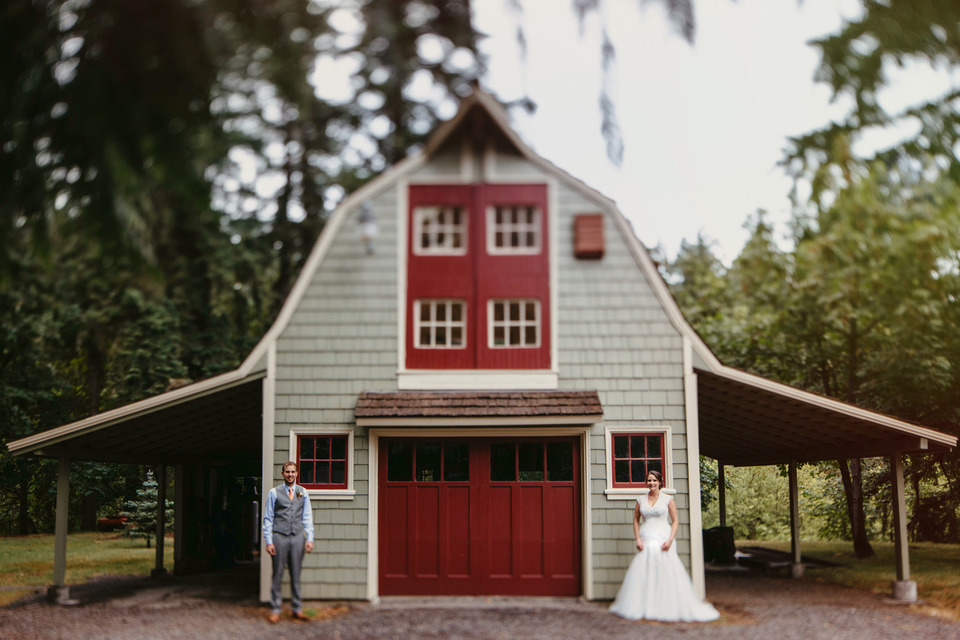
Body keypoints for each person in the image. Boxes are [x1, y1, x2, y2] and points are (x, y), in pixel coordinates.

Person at [609, 470, 720, 622]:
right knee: (644, 569)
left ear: (660, 482)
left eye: (654, 480)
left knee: (665, 569)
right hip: (646, 537)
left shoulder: (668, 500)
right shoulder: (640, 500)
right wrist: (638, 539)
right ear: (646, 482)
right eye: (649, 480)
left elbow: (675, 521)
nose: (651, 483)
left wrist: (670, 539)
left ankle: (665, 604)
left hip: (663, 537)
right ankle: (646, 603)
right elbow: (636, 520)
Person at [263, 461, 315, 623]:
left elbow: (307, 516)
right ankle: (276, 608)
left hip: (298, 536)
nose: (290, 475)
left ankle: (297, 608)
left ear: (297, 473)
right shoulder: (274, 492)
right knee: (277, 573)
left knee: (295, 572)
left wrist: (310, 538)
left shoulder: (302, 492)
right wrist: (269, 541)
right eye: (287, 472)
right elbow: (268, 518)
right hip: (279, 536)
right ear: (282, 474)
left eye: (293, 472)